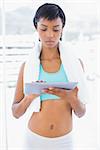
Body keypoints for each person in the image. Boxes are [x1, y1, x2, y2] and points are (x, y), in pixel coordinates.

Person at [12, 3, 88, 150]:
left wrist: (70, 97)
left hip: (65, 141)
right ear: (36, 28)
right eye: (44, 28)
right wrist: (30, 97)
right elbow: (16, 113)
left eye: (56, 29)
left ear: (62, 29)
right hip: (34, 139)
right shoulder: (27, 66)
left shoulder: (75, 65)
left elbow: (81, 113)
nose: (50, 35)